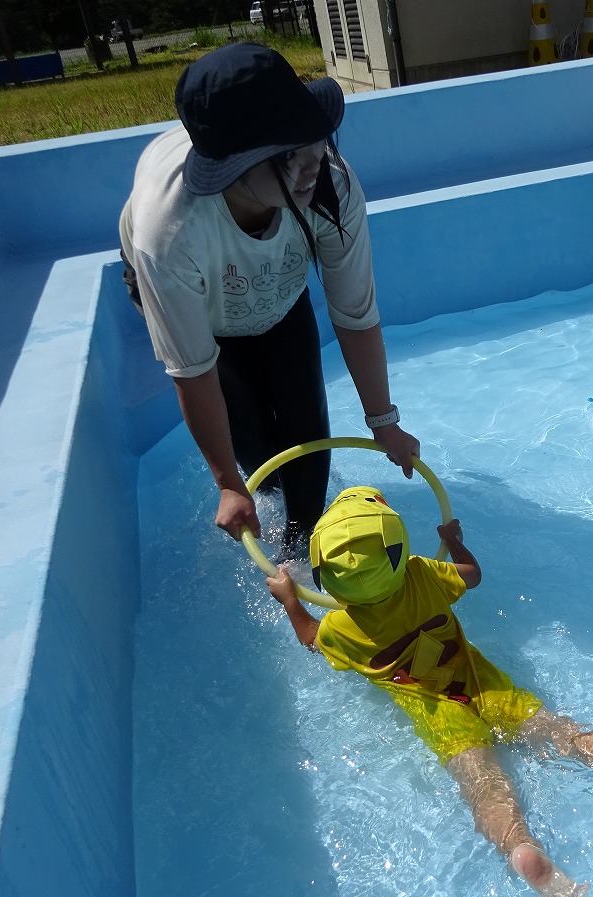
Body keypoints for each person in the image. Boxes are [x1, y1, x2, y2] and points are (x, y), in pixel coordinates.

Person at [266, 486, 593, 897]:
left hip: (442, 719)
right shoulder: (420, 574)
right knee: (558, 731)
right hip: (486, 688)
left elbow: (309, 639)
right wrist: (454, 542)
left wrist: (290, 600)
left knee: (485, 788)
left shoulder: (340, 629)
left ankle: (521, 847)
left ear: (326, 577)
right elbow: (472, 575)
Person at [119, 43, 419, 558]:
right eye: (285, 155)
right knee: (255, 446)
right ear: (230, 169)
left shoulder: (331, 184)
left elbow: (355, 314)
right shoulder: (170, 233)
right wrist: (228, 484)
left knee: (306, 426)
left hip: (276, 290)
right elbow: (194, 371)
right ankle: (272, 502)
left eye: (312, 140)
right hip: (199, 301)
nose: (310, 165)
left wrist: (383, 421)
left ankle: (302, 550)